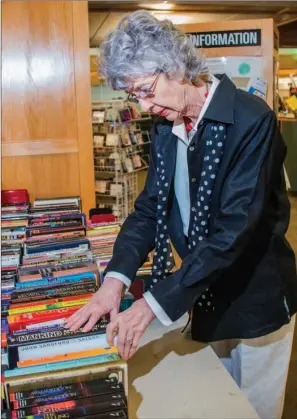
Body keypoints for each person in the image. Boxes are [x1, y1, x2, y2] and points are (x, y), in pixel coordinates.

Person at [65, 11, 297, 419]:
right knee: (214, 405)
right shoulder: (165, 124)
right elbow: (149, 208)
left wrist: (152, 305)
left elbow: (232, 232)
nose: (145, 105)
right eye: (134, 95)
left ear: (175, 68)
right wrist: (115, 282)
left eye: (146, 90)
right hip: (201, 294)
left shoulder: (251, 120)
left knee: (254, 412)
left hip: (254, 301)